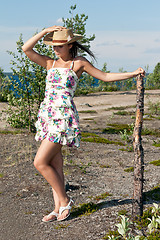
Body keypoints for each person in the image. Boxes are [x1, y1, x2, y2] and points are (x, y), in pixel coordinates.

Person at [22, 25, 145, 222]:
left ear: (70, 45)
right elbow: (26, 49)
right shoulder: (50, 63)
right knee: (55, 164)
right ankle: (57, 208)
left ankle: (65, 200)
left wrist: (132, 73)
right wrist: (45, 31)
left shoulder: (78, 63)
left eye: (60, 46)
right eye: (53, 45)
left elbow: (105, 77)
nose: (55, 49)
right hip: (48, 117)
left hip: (63, 119)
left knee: (40, 162)